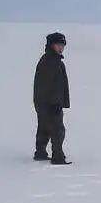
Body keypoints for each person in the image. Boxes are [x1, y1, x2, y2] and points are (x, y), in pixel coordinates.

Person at [33, 32, 71, 164]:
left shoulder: (53, 61)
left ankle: (40, 152)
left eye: (62, 45)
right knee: (57, 129)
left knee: (44, 128)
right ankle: (58, 157)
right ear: (51, 45)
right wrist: (53, 104)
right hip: (49, 103)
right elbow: (45, 86)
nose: (61, 48)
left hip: (45, 102)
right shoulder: (50, 62)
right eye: (58, 45)